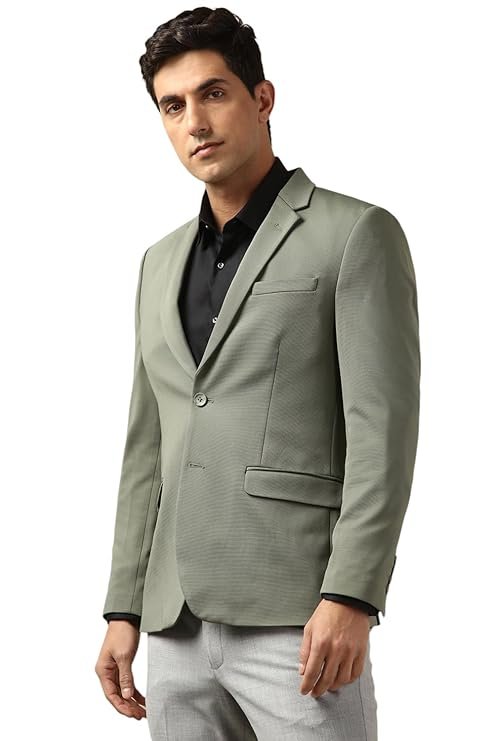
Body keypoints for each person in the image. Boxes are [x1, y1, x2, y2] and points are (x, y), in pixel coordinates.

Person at [94, 7, 420, 739]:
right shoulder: (158, 263)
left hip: (299, 618)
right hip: (174, 624)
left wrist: (353, 594)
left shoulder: (354, 234)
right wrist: (123, 606)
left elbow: (383, 432)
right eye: (172, 106)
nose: (195, 122)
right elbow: (147, 448)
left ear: (262, 98)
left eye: (213, 93)